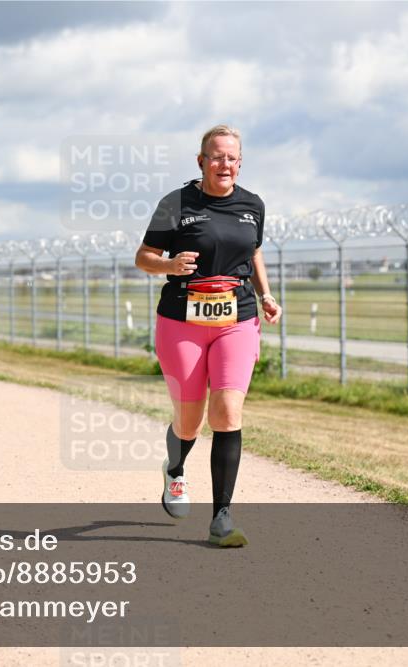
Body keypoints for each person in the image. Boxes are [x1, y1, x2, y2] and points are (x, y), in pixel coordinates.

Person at [134, 124, 282, 548]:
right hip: (183, 320)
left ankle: (222, 516)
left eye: (232, 157)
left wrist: (266, 294)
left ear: (240, 162)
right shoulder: (175, 204)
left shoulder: (253, 205)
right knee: (190, 419)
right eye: (217, 156)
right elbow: (144, 257)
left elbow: (252, 251)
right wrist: (170, 265)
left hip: (237, 317)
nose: (225, 164)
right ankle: (176, 471)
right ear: (201, 162)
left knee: (228, 412)